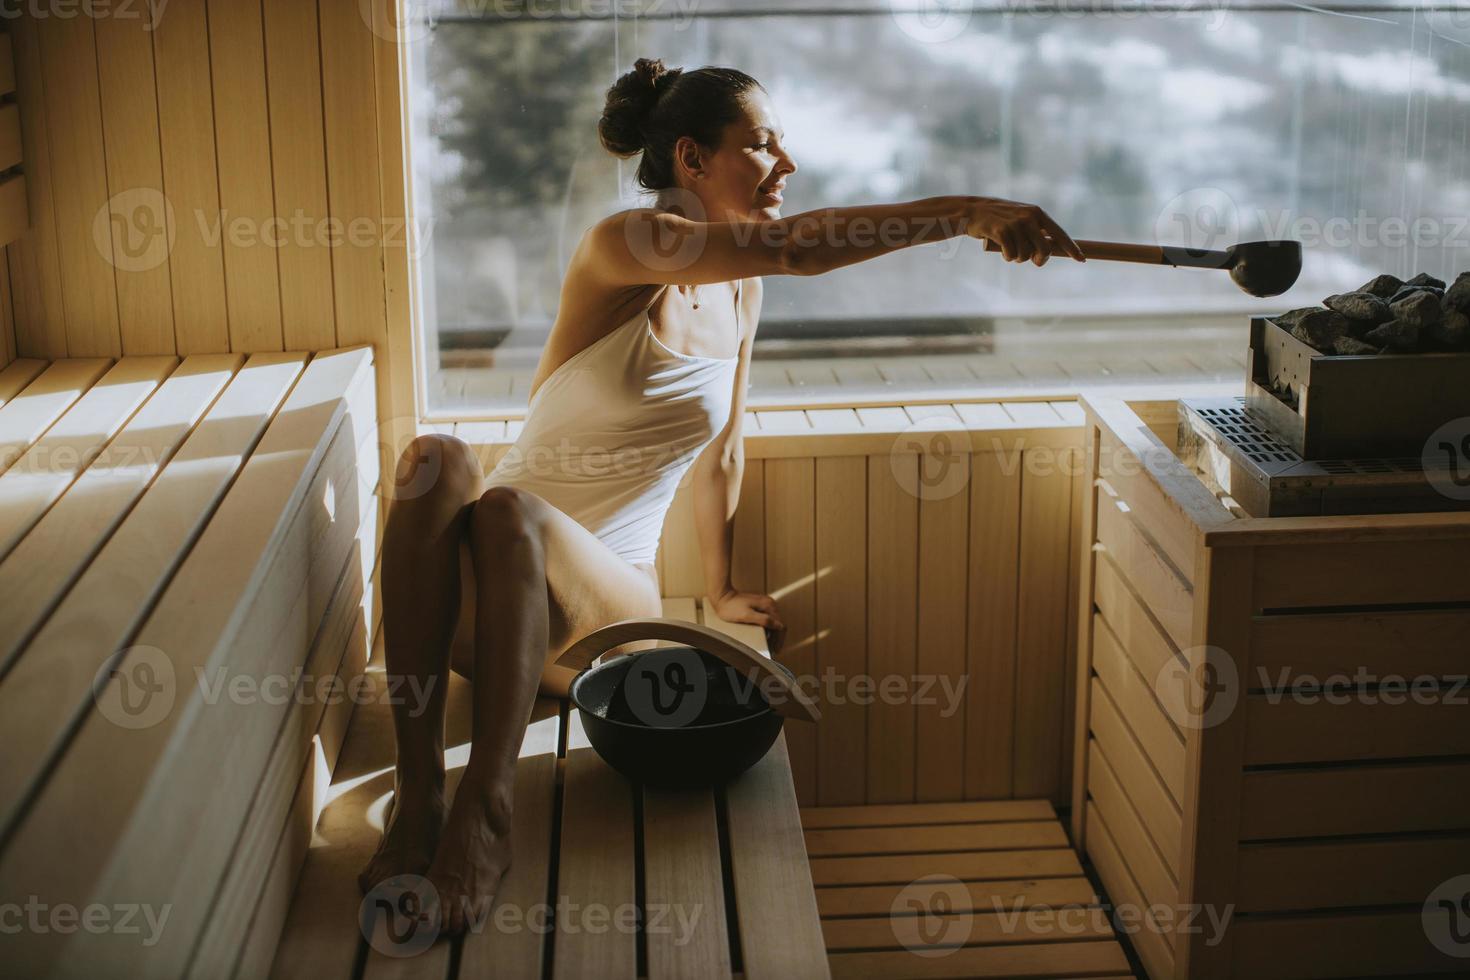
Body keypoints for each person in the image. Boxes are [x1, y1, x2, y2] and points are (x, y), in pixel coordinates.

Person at [359, 56, 1085, 935]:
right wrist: (965, 212)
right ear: (693, 160)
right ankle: (419, 793)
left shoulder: (738, 292)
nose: (786, 167)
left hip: (601, 614)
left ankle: (487, 807)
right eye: (764, 146)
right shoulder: (624, 244)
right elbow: (793, 246)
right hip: (481, 616)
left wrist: (724, 579)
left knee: (511, 513)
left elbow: (725, 446)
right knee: (439, 460)